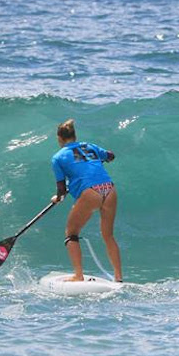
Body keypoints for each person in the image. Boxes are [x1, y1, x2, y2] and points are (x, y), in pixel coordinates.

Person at [50, 119, 122, 282]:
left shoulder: (58, 158)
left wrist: (58, 198)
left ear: (59, 138)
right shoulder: (90, 146)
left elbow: (61, 191)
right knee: (108, 235)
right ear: (75, 136)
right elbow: (111, 155)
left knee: (71, 234)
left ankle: (78, 275)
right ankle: (118, 277)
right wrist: (105, 157)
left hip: (91, 193)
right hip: (109, 189)